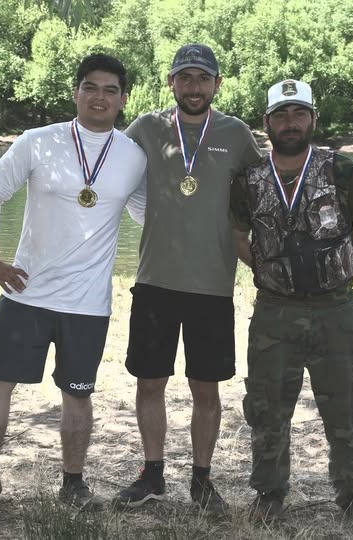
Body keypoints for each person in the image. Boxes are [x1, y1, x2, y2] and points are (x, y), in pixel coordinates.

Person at [0, 53, 147, 518]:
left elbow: (146, 216)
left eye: (110, 90)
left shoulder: (134, 156)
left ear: (123, 99)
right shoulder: (38, 141)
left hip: (88, 303)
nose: (99, 97)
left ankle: (73, 484)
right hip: (27, 294)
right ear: (75, 92)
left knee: (78, 394)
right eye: (90, 87)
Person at [113, 44, 263, 514]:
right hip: (155, 282)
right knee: (149, 383)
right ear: (171, 82)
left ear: (217, 84)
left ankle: (202, 480)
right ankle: (151, 474)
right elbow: (106, 166)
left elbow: (265, 192)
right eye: (185, 78)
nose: (194, 87)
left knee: (206, 389)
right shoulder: (146, 127)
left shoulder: (236, 134)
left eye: (203, 78)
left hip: (212, 285)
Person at [230, 79, 353, 528]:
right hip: (274, 313)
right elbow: (239, 237)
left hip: (336, 311)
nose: (290, 122)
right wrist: (273, 272)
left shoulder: (343, 170)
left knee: (348, 407)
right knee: (267, 409)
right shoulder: (249, 179)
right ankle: (269, 494)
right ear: (267, 123)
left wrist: (332, 268)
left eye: (299, 113)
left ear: (313, 119)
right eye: (281, 115)